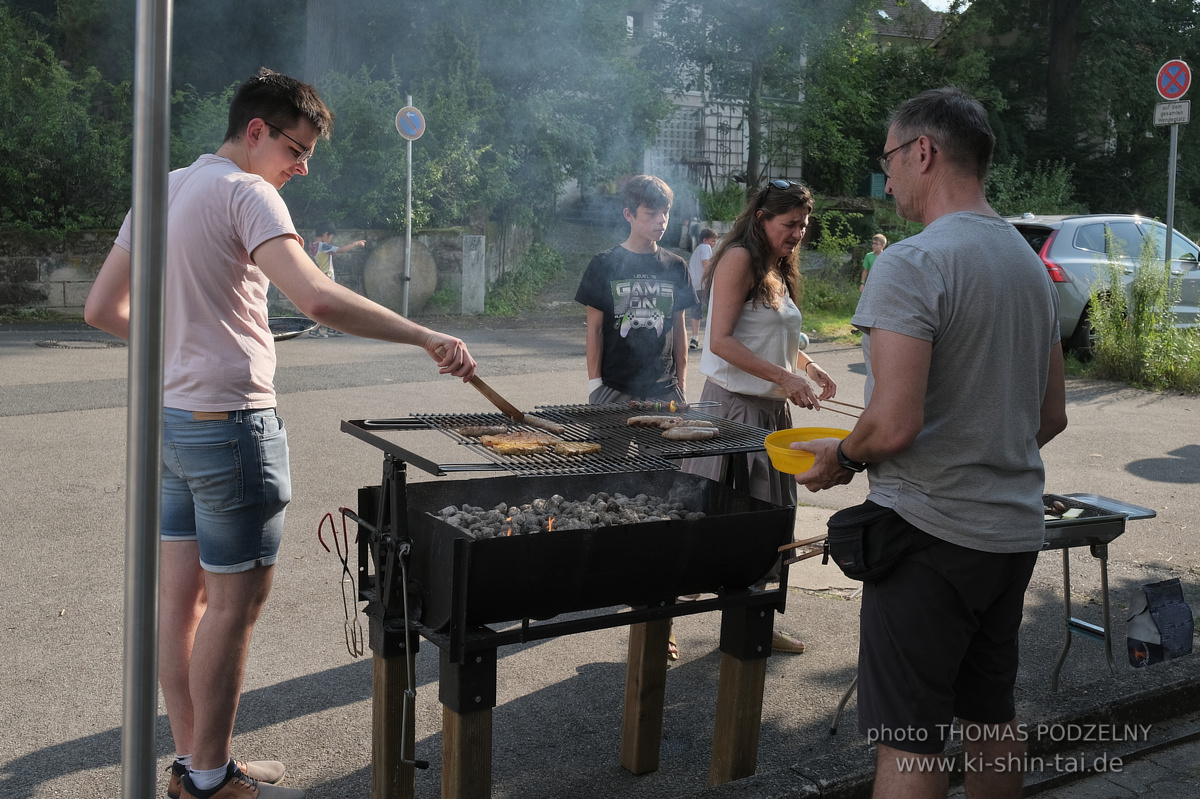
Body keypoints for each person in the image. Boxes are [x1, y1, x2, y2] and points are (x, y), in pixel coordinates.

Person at [84, 68, 476, 799]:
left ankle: (198, 760)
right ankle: (209, 778)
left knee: (182, 604)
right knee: (232, 607)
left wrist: (178, 353)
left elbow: (104, 308)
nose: (300, 168)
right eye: (296, 149)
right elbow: (319, 297)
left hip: (169, 425)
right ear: (256, 130)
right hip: (232, 428)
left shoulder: (161, 187)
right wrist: (424, 333)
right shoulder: (246, 192)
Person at [794, 87, 1067, 799]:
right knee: (990, 722)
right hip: (1010, 536)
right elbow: (1050, 414)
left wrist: (842, 458)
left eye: (888, 159)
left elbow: (893, 423)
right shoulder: (1029, 265)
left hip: (929, 537)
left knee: (911, 742)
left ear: (924, 151)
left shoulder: (911, 264)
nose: (886, 179)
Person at [682, 178, 837, 655]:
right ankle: (661, 616)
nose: (798, 234)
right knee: (724, 519)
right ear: (761, 218)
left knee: (769, 519)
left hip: (770, 410)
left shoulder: (777, 264)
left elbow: (774, 335)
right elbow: (721, 342)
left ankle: (754, 623)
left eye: (804, 226)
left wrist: (806, 366)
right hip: (733, 409)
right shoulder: (739, 259)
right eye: (789, 224)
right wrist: (786, 379)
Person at [575, 175, 698, 406]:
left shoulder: (676, 265)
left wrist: (681, 385)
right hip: (613, 389)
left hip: (664, 390)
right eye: (651, 214)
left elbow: (679, 331)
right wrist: (595, 387)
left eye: (666, 212)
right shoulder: (603, 263)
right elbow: (595, 330)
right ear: (628, 214)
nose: (661, 220)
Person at [307, 221, 366, 337]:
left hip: (319, 277)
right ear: (326, 234)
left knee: (331, 304)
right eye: (331, 237)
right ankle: (315, 330)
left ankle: (331, 328)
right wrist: (355, 243)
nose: (331, 240)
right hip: (327, 278)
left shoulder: (312, 245)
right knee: (327, 305)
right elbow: (341, 250)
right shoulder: (323, 246)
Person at [687, 227, 718, 349]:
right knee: (713, 310)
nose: (714, 244)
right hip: (704, 285)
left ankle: (694, 338)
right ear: (705, 240)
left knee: (696, 312)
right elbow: (706, 265)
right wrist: (712, 279)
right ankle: (714, 338)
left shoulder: (696, 251)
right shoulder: (705, 248)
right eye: (713, 241)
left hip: (694, 286)